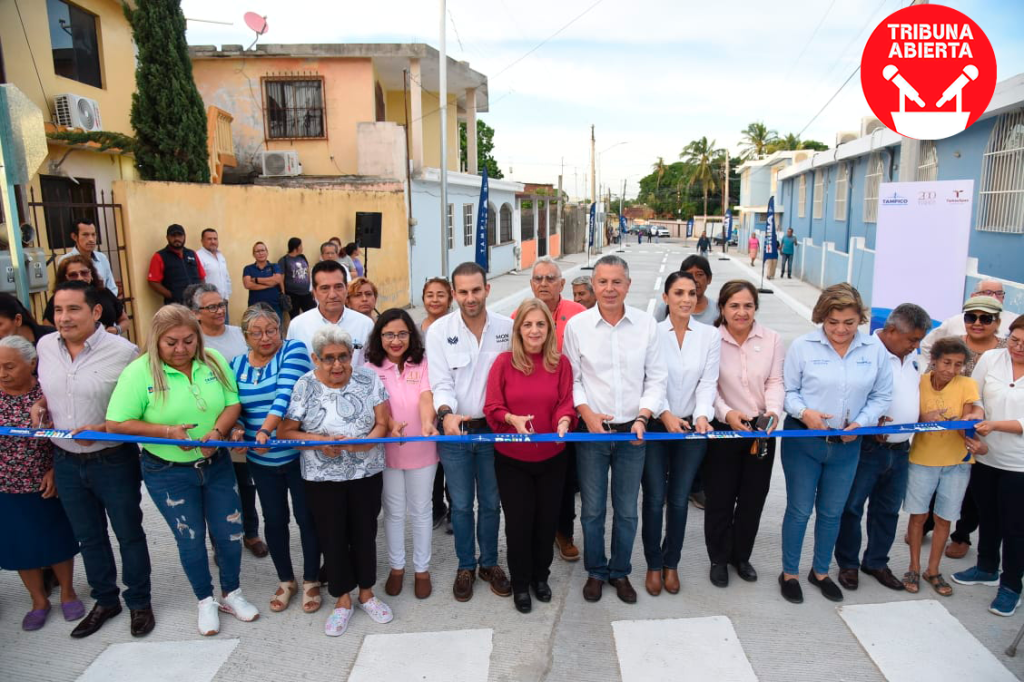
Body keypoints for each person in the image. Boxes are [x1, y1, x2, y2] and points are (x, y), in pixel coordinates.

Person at [106, 304, 259, 636]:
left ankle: (232, 593)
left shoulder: (213, 361)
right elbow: (116, 422)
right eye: (171, 342)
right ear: (157, 340)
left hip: (216, 464)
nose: (180, 350)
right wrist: (167, 432)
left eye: (189, 341)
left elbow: (233, 402)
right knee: (190, 540)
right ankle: (205, 600)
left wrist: (217, 434)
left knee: (230, 534)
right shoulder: (139, 372)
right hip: (167, 471)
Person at [36, 280, 153, 638]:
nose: (64, 318)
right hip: (67, 460)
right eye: (58, 309)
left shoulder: (125, 352)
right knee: (89, 537)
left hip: (113, 460)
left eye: (73, 309)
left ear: (96, 311)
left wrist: (104, 427)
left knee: (128, 534)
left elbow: (144, 407)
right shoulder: (44, 346)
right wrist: (40, 405)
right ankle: (106, 599)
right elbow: (45, 390)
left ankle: (139, 602)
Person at [779, 283, 892, 604]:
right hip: (804, 441)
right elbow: (788, 392)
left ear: (860, 320)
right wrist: (806, 413)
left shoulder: (874, 350)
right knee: (800, 511)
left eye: (849, 323)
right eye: (833, 322)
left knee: (832, 513)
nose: (841, 330)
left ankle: (821, 572)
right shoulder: (803, 346)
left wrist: (862, 423)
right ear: (821, 318)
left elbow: (882, 395)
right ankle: (789, 573)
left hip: (848, 445)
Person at [563, 255, 667, 604]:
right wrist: (586, 414)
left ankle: (620, 572)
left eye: (616, 282)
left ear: (628, 285)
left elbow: (656, 378)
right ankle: (596, 571)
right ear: (593, 285)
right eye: (603, 282)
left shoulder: (645, 325)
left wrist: (643, 416)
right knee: (592, 509)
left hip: (632, 433)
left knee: (626, 509)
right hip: (592, 433)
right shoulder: (577, 327)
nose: (609, 289)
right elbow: (572, 379)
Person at [278, 327, 393, 637]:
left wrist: (368, 442)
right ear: (316, 358)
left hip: (365, 472)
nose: (337, 365)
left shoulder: (368, 380)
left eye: (343, 356)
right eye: (329, 359)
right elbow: (285, 432)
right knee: (332, 536)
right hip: (322, 477)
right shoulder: (305, 385)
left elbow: (383, 422)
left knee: (365, 532)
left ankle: (367, 593)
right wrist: (317, 441)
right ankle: (342, 600)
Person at [426, 262, 514, 602]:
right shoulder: (438, 332)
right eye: (462, 291)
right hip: (456, 433)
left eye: (476, 290)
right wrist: (446, 415)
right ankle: (465, 564)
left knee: (491, 503)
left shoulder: (508, 327)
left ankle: (489, 563)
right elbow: (440, 383)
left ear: (487, 289)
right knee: (460, 504)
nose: (469, 297)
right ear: (453, 293)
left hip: (494, 431)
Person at [485, 299, 577, 613]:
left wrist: (565, 419)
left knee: (545, 522)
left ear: (549, 329)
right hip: (513, 459)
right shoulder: (503, 363)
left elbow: (566, 401)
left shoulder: (560, 363)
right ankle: (521, 583)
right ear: (518, 329)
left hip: (553, 458)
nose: (534, 330)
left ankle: (541, 577)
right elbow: (492, 407)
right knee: (519, 524)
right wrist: (511, 419)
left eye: (540, 324)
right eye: (528, 324)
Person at [229, 304, 320, 614]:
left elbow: (285, 396)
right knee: (274, 520)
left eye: (271, 330)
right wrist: (239, 430)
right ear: (245, 336)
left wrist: (264, 431)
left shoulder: (293, 350)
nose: (266, 337)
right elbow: (235, 407)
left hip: (297, 455)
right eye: (257, 332)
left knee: (307, 518)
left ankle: (311, 580)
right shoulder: (235, 365)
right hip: (261, 459)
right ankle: (286, 580)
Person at [834, 303, 931, 592]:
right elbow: (844, 393)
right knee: (852, 507)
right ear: (890, 331)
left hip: (901, 450)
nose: (916, 345)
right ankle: (848, 564)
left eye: (919, 340)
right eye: (912, 339)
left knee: (887, 510)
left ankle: (876, 561)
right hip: (868, 448)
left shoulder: (913, 359)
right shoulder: (864, 352)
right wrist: (868, 421)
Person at [642, 271, 719, 597]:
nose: (686, 299)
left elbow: (708, 382)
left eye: (691, 292)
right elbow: (648, 380)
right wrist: (664, 414)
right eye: (679, 293)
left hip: (692, 428)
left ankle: (672, 562)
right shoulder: (652, 333)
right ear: (666, 298)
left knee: (678, 500)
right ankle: (653, 564)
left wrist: (702, 416)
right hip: (658, 425)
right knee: (655, 498)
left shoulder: (709, 336)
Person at [0, 335, 83, 631]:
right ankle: (38, 601)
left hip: (45, 481)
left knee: (56, 540)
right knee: (19, 545)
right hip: (6, 485)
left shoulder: (47, 392)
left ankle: (68, 592)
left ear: (32, 364)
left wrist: (54, 470)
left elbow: (66, 433)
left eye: (9, 366)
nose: (2, 373)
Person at [703, 281, 783, 588]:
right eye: (734, 305)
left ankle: (741, 556)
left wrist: (773, 411)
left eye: (748, 305)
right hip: (725, 429)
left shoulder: (772, 340)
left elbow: (776, 381)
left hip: (762, 429)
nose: (741, 312)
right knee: (721, 498)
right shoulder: (711, 340)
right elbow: (708, 387)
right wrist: (727, 414)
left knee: (753, 499)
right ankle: (718, 558)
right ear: (722, 308)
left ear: (756, 308)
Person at [186, 284, 268, 561]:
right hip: (208, 424)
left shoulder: (239, 335)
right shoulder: (193, 342)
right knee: (217, 490)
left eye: (221, 304)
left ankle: (251, 533)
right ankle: (220, 545)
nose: (220, 310)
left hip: (241, 420)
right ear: (196, 313)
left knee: (246, 483)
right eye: (212, 307)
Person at [951, 315, 1024, 617]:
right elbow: (974, 394)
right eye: (1015, 340)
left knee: (1016, 527)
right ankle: (986, 568)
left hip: (1019, 465)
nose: (1017, 348)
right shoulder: (993, 358)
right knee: (987, 516)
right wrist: (976, 416)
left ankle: (1010, 586)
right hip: (984, 455)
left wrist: (992, 425)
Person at [516, 257, 586, 563]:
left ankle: (563, 532)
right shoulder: (520, 313)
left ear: (562, 284)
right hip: (531, 411)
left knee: (566, 478)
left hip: (571, 408)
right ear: (531, 284)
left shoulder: (579, 314)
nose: (544, 284)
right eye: (538, 278)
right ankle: (534, 531)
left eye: (550, 278)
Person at [366, 308, 438, 600]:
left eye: (402, 334)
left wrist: (426, 423)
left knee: (421, 510)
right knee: (394, 513)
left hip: (422, 446)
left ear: (412, 335)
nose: (396, 341)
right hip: (388, 449)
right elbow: (376, 406)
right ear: (379, 337)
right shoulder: (370, 368)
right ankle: (397, 568)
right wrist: (392, 425)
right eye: (389, 334)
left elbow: (426, 396)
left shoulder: (422, 364)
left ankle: (422, 569)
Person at [928, 296, 1007, 559]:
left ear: (997, 322)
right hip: (945, 428)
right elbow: (930, 379)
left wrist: (977, 417)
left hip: (988, 427)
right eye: (970, 317)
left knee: (974, 486)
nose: (977, 323)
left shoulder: (1008, 350)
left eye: (985, 318)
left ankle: (961, 535)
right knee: (937, 477)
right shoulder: (952, 345)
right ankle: (928, 522)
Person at [903, 337, 982, 596]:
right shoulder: (919, 382)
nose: (951, 369)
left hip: (957, 464)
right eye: (946, 362)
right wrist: (924, 419)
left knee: (944, 518)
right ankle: (914, 566)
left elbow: (968, 426)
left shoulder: (968, 385)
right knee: (918, 516)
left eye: (958, 365)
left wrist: (965, 423)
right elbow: (908, 416)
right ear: (934, 361)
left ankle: (933, 570)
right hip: (922, 460)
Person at [287, 260, 374, 366]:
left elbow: (372, 365)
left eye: (338, 287)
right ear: (314, 292)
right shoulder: (298, 325)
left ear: (346, 289)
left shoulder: (365, 324)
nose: (332, 294)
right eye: (325, 288)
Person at [419, 277, 454, 531]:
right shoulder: (415, 330)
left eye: (440, 294)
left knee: (450, 459)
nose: (435, 300)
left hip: (450, 400)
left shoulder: (454, 326)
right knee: (430, 457)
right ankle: (436, 506)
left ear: (450, 297)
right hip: (423, 399)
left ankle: (455, 507)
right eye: (430, 295)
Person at [920, 281, 1017, 362]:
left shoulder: (1015, 322)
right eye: (988, 293)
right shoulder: (955, 321)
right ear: (974, 296)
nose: (977, 323)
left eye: (999, 293)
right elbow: (927, 345)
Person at [43, 255, 128, 335]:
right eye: (73, 275)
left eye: (84, 273)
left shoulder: (105, 293)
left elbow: (124, 320)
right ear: (65, 278)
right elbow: (47, 328)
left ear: (91, 274)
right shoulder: (58, 299)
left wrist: (117, 329)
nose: (80, 278)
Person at [148, 224, 205, 305]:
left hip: (196, 303)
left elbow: (202, 276)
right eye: (173, 236)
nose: (177, 238)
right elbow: (153, 282)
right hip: (176, 305)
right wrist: (172, 295)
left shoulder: (192, 254)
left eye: (180, 235)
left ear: (184, 237)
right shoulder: (159, 256)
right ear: (167, 237)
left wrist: (201, 293)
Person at [58, 220, 118, 296]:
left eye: (93, 234)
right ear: (74, 237)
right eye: (85, 235)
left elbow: (111, 286)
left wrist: (109, 304)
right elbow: (64, 290)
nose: (91, 239)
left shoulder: (102, 258)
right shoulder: (65, 260)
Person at [654, 255, 717, 327]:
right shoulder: (666, 307)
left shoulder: (718, 311)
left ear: (709, 279)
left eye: (699, 275)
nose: (695, 279)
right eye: (689, 275)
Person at [197, 229, 232, 322]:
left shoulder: (220, 256)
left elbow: (226, 277)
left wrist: (227, 297)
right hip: (209, 305)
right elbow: (199, 281)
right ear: (202, 241)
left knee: (224, 330)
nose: (213, 241)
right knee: (211, 331)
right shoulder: (198, 256)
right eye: (209, 239)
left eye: (215, 239)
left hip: (223, 302)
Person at [242, 241, 284, 319]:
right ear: (253, 254)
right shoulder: (248, 269)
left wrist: (257, 280)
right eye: (257, 251)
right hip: (255, 308)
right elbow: (248, 284)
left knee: (276, 330)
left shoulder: (275, 266)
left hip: (274, 308)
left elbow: (278, 279)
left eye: (262, 250)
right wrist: (271, 283)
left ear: (267, 252)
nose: (260, 253)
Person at [279, 237, 316, 315]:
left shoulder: (302, 257)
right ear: (296, 247)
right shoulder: (284, 260)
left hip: (306, 293)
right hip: (292, 294)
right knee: (294, 316)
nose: (302, 248)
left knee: (312, 314)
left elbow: (308, 272)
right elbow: (281, 278)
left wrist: (311, 287)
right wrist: (283, 292)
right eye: (301, 246)